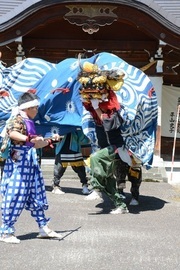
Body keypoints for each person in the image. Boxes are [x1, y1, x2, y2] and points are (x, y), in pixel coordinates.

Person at [0, 91, 62, 244]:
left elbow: (35, 143)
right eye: (35, 107)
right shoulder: (18, 119)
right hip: (18, 164)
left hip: (30, 163)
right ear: (27, 108)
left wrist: (49, 141)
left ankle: (43, 227)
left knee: (36, 194)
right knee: (15, 196)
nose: (37, 110)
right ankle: (6, 231)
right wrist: (29, 138)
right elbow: (13, 133)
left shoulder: (29, 121)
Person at [52, 129, 90, 195]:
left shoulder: (76, 125)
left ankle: (85, 185)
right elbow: (53, 137)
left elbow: (84, 139)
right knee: (59, 169)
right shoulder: (59, 123)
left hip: (75, 148)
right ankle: (55, 186)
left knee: (80, 169)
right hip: (61, 149)